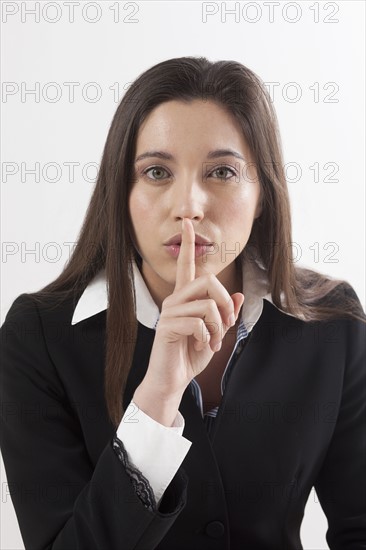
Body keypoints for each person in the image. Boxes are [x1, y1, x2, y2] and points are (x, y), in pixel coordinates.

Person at [1, 56, 365, 550]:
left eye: (222, 171)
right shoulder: (38, 336)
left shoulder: (332, 322)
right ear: (120, 193)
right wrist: (157, 400)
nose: (189, 205)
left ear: (264, 194)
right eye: (156, 172)